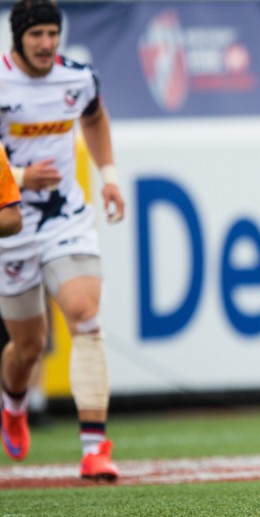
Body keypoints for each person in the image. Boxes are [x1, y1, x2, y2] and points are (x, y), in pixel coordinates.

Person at [0, 0, 125, 482]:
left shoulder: (77, 77)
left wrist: (108, 174)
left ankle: (95, 447)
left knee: (85, 315)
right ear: (18, 37)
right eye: (37, 35)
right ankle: (12, 403)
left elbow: (94, 117)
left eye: (53, 33)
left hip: (65, 219)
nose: (47, 44)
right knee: (27, 348)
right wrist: (18, 176)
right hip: (10, 223)